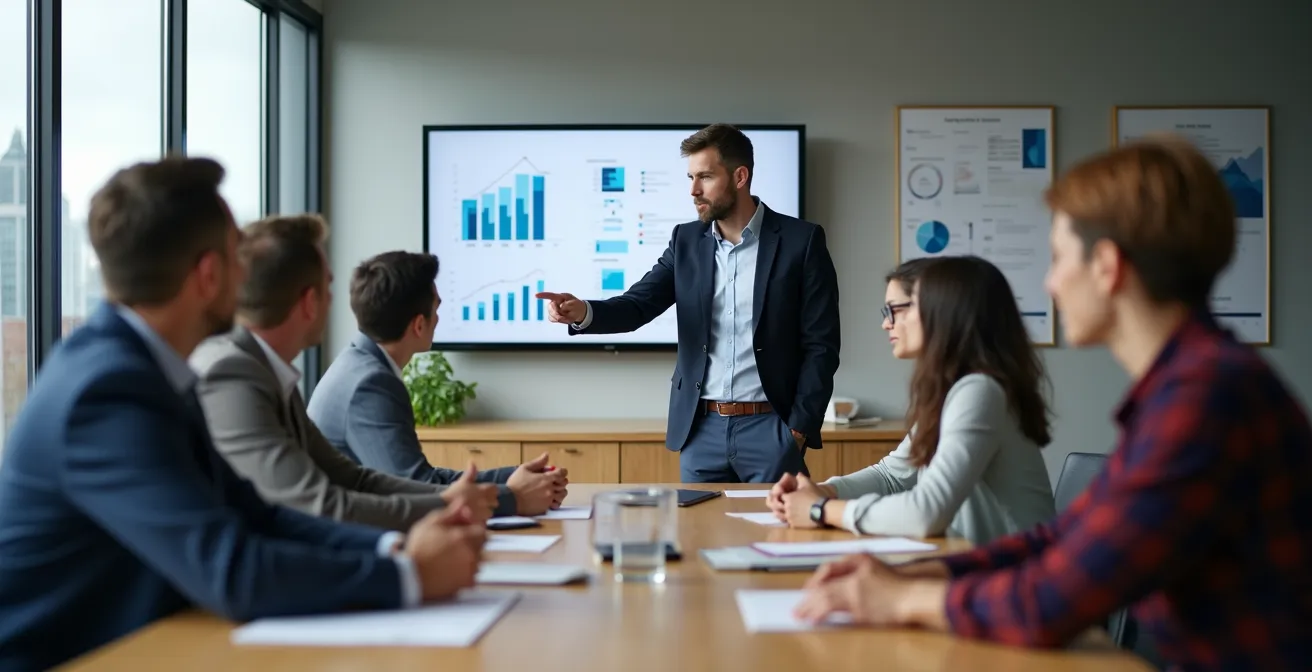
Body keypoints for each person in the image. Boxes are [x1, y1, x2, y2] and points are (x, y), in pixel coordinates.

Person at [793, 136, 1312, 670]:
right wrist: (922, 576)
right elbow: (1063, 537)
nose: (1050, 283)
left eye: (1060, 257)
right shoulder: (1187, 385)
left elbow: (1049, 601)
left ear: (1107, 266)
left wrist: (900, 599)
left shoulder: (1204, 398)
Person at [0, 158, 486, 672]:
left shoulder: (147, 369)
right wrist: (409, 574)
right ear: (209, 274)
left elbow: (258, 515)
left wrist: (394, 549)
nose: (248, 275)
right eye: (238, 257)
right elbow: (229, 568)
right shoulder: (106, 392)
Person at [536, 123, 841, 483]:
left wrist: (797, 432)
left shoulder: (800, 241)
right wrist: (583, 311)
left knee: (774, 535)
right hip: (701, 431)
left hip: (771, 429)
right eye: (691, 177)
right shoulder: (686, 241)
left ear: (740, 176)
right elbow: (638, 304)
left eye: (705, 177)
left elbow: (821, 344)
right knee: (699, 537)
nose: (694, 190)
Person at [768, 256, 1055, 545]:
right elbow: (892, 477)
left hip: (1015, 577)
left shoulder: (979, 391)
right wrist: (821, 492)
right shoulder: (954, 391)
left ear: (939, 311)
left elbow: (927, 512)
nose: (885, 323)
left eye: (895, 310)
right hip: (978, 566)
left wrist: (821, 510)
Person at [307, 250, 568, 514]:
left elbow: (421, 480)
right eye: (437, 308)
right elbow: (418, 489)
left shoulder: (357, 364)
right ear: (419, 325)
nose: (440, 318)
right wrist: (514, 497)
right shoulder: (370, 384)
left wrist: (511, 478)